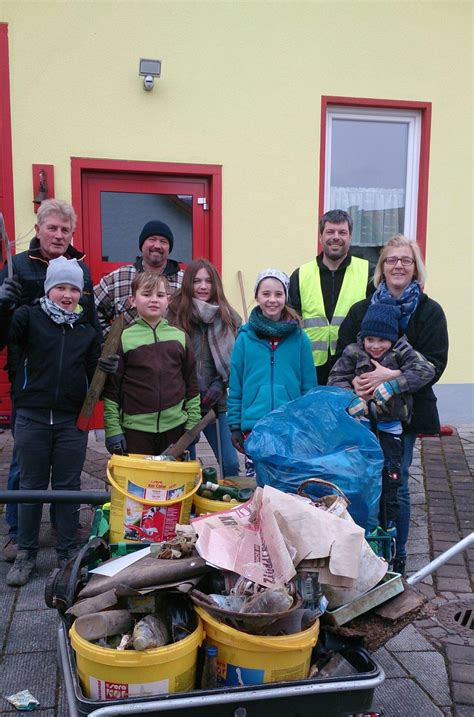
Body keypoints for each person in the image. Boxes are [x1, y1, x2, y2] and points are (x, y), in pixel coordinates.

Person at [334, 235, 449, 575]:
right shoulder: (361, 309)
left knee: (396, 480)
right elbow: (344, 351)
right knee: (364, 478)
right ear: (381, 267)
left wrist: (389, 375)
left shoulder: (429, 312)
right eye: (391, 260)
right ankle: (367, 547)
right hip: (362, 414)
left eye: (406, 260)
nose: (398, 265)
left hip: (404, 417)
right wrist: (354, 384)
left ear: (416, 269)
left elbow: (434, 363)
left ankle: (396, 553)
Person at [0, 198, 100, 563]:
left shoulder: (80, 270)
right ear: (39, 228)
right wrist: (2, 303)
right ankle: (19, 538)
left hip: (68, 399)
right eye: (52, 228)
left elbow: (89, 329)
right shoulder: (18, 267)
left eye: (65, 230)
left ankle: (65, 537)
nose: (58, 235)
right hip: (31, 388)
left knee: (66, 481)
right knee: (26, 476)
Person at [328, 302, 436, 548]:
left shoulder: (402, 351)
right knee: (361, 480)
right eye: (370, 340)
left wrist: (394, 382)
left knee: (391, 483)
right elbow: (335, 378)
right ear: (363, 337)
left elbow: (426, 371)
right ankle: (359, 534)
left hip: (390, 431)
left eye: (382, 340)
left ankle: (391, 542)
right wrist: (351, 396)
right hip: (361, 430)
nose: (375, 346)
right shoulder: (354, 352)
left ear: (393, 337)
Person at [103, 272, 200, 455]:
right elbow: (112, 390)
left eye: (160, 295)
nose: (154, 300)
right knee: (138, 483)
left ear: (168, 301)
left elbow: (191, 384)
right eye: (147, 294)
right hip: (135, 431)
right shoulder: (122, 338)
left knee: (172, 483)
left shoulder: (179, 337)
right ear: (133, 300)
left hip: (175, 429)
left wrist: (192, 424)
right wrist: (113, 430)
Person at [228, 269, 317, 460]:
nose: (272, 300)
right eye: (266, 294)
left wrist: (308, 423)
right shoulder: (244, 338)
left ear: (286, 296)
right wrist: (235, 425)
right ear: (257, 297)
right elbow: (236, 386)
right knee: (259, 485)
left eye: (278, 294)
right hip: (254, 426)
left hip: (290, 427)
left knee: (285, 485)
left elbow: (309, 387)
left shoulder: (300, 338)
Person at [168, 258, 241, 476]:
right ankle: (187, 508)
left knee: (230, 463)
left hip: (216, 403)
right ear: (188, 283)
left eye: (208, 281)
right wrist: (192, 383)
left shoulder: (229, 316)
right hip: (183, 403)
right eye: (197, 281)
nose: (202, 286)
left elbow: (237, 357)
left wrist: (220, 383)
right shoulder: (173, 313)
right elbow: (168, 356)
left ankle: (229, 506)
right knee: (186, 467)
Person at [289, 209, 371, 385]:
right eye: (330, 232)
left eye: (342, 232)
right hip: (310, 366)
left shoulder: (368, 273)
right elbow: (290, 321)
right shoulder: (301, 274)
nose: (336, 237)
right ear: (320, 237)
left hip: (354, 366)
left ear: (350, 237)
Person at [94, 220, 184, 335]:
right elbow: (93, 309)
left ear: (169, 248)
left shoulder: (184, 281)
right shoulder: (118, 278)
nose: (157, 245)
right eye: (152, 239)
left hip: (171, 351)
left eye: (163, 241)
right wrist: (111, 339)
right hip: (127, 351)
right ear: (142, 244)